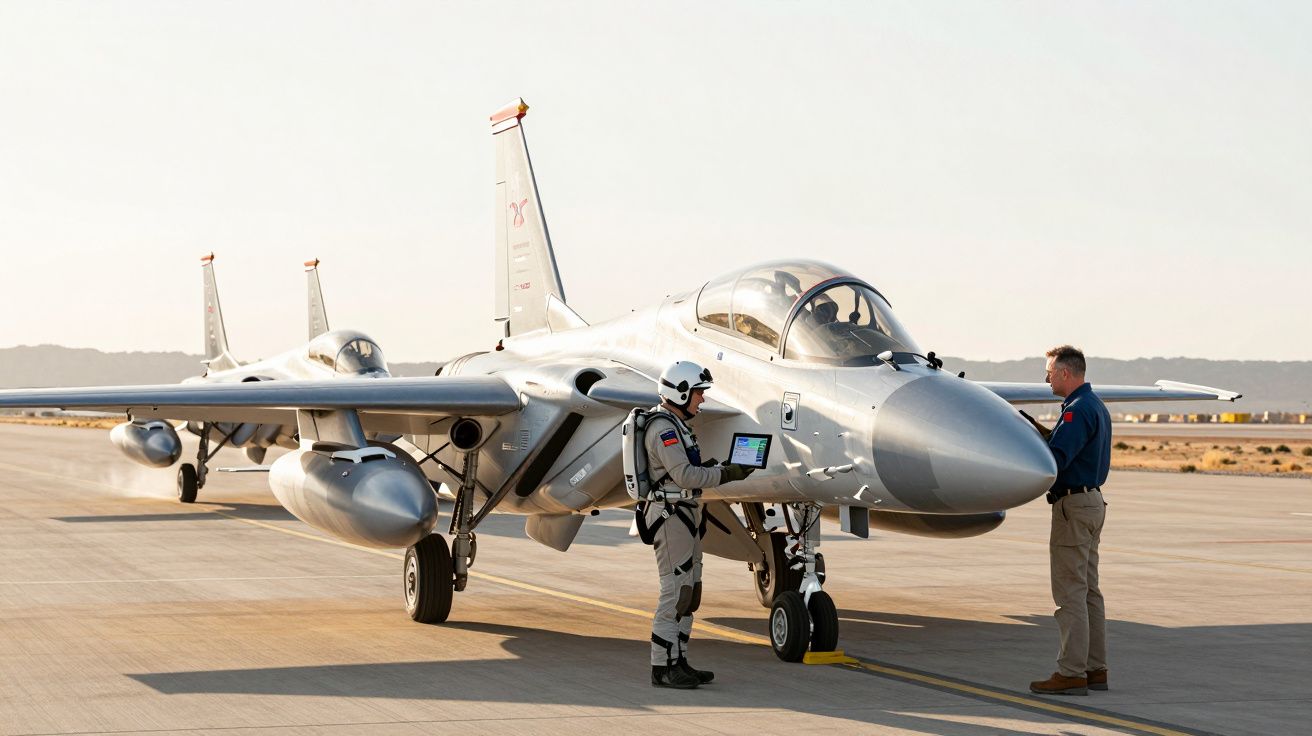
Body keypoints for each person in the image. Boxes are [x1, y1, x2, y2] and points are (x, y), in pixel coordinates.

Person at [640, 360, 756, 689]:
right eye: (698, 394)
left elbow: (688, 470)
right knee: (674, 592)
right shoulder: (663, 429)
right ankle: (662, 667)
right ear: (680, 393)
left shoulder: (677, 426)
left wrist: (717, 468)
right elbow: (685, 476)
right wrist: (726, 473)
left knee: (690, 592)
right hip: (670, 516)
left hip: (685, 513)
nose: (702, 400)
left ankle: (680, 660)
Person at [1029, 345, 1112, 696]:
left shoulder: (1076, 412)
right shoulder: (1095, 407)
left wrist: (1030, 440)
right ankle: (1095, 669)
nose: (1046, 377)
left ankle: (1071, 672)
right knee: (1089, 591)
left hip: (1073, 507)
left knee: (1070, 593)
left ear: (1065, 373)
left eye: (1049, 371)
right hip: (1092, 502)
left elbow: (1058, 458)